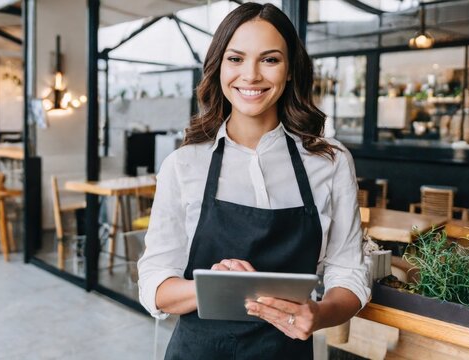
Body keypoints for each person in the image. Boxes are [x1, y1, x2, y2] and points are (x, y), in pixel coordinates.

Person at [137, 3, 370, 359]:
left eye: (270, 59)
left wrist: (320, 314)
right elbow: (154, 284)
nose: (251, 75)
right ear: (218, 68)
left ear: (290, 70)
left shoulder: (330, 161)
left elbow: (349, 272)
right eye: (236, 59)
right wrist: (215, 288)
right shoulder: (183, 165)